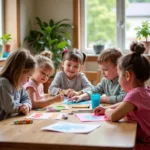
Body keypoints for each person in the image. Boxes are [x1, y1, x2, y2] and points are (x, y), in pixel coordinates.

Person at [94, 41, 150, 150]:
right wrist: (107, 107)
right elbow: (125, 104)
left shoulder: (135, 94)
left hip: (144, 145)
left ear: (128, 75)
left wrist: (106, 111)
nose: (118, 81)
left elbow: (114, 116)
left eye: (119, 76)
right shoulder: (144, 91)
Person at [0, 49, 36, 120]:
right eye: (28, 76)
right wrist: (21, 108)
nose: (28, 80)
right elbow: (9, 107)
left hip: (9, 121)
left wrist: (26, 106)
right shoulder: (4, 83)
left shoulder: (19, 84)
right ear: (18, 72)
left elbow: (26, 99)